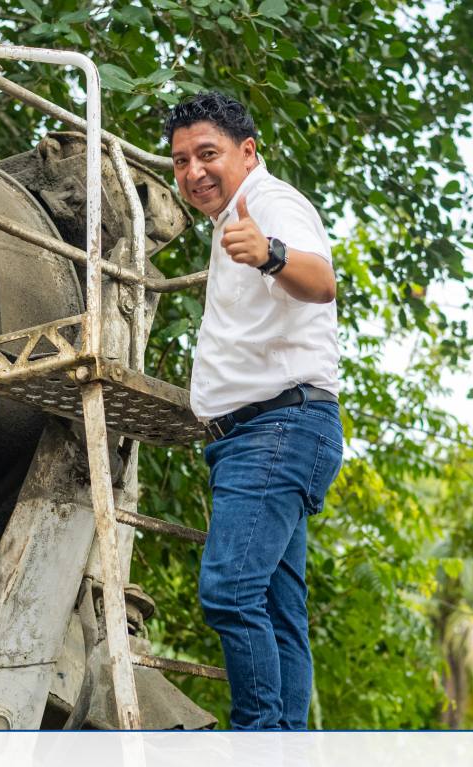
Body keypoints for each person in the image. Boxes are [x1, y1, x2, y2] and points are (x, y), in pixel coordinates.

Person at [165, 91, 344, 730]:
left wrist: (271, 251)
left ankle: (260, 752)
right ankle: (284, 762)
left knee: (230, 592)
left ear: (247, 151)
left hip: (276, 430)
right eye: (181, 161)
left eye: (207, 154)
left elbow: (322, 282)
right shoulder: (230, 223)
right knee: (277, 611)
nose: (193, 172)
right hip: (266, 434)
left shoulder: (269, 203)